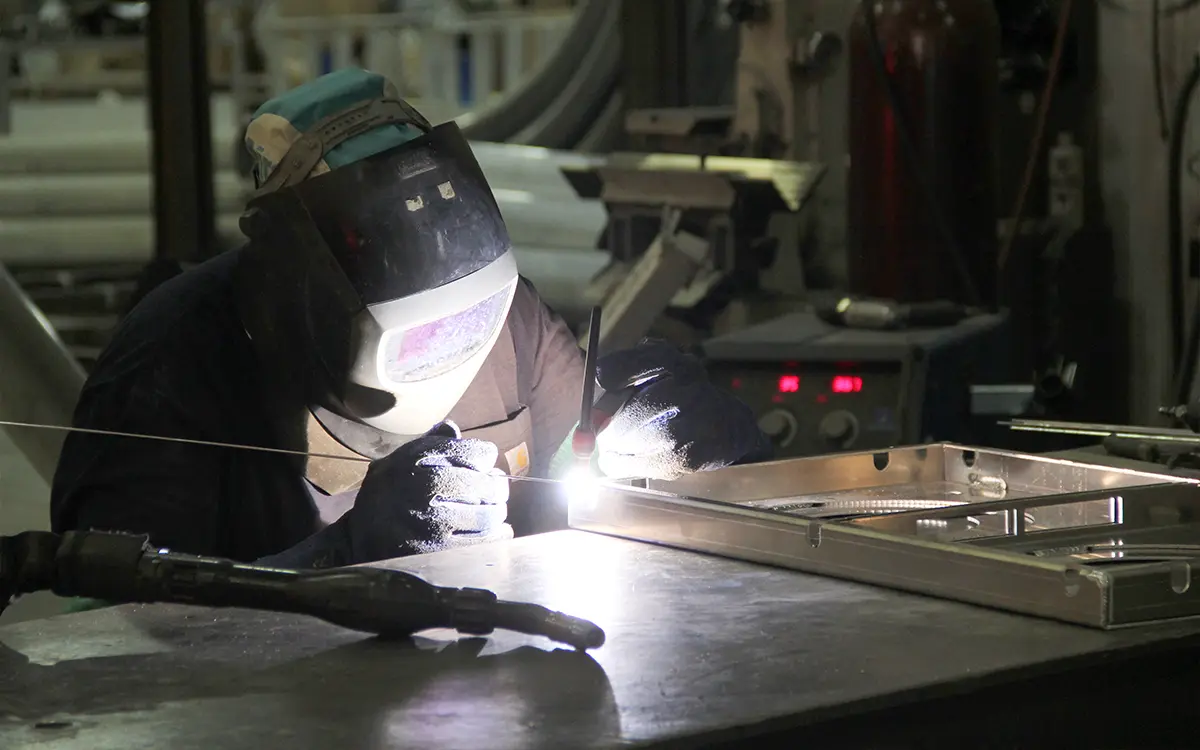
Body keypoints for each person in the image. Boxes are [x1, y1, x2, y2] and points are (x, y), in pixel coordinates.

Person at [50, 69, 770, 568]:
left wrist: (694, 461)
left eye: (466, 328)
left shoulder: (505, 315)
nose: (454, 354)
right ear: (300, 283)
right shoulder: (166, 372)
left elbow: (581, 478)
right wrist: (343, 557)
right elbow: (119, 651)